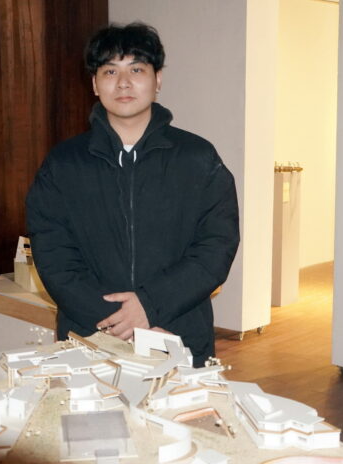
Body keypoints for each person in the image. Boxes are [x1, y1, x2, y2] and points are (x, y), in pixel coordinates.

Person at [26, 22, 239, 367]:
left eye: (136, 69)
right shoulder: (63, 164)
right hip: (92, 335)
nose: (123, 82)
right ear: (95, 84)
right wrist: (120, 321)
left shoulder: (198, 158)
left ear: (158, 80)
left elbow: (216, 247)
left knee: (177, 405)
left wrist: (150, 306)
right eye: (110, 71)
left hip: (178, 331)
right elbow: (54, 255)